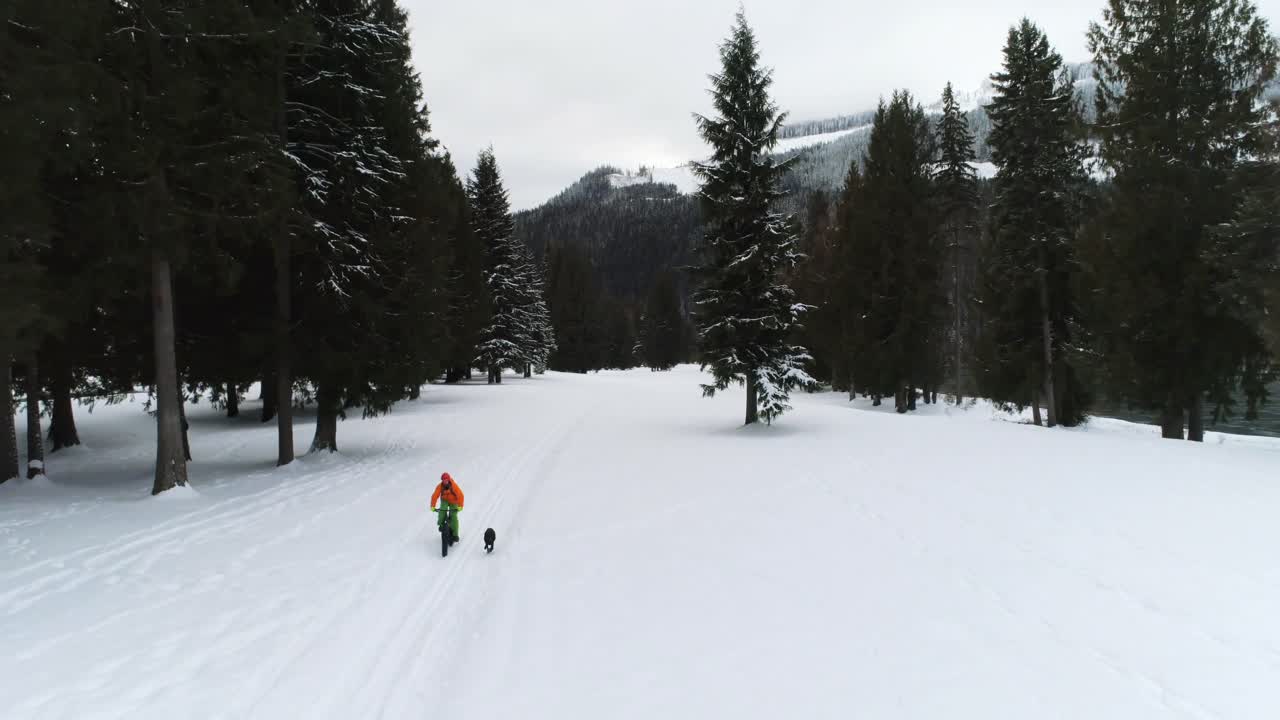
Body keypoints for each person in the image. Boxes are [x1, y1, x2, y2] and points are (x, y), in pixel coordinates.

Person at [431, 472, 465, 540]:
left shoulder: (453, 486)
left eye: (446, 479)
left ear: (449, 479)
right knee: (442, 511)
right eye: (443, 480)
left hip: (453, 501)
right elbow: (435, 496)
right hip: (445, 500)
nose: (445, 481)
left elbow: (461, 495)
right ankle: (441, 525)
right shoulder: (440, 486)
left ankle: (455, 535)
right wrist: (433, 506)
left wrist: (460, 506)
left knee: (453, 516)